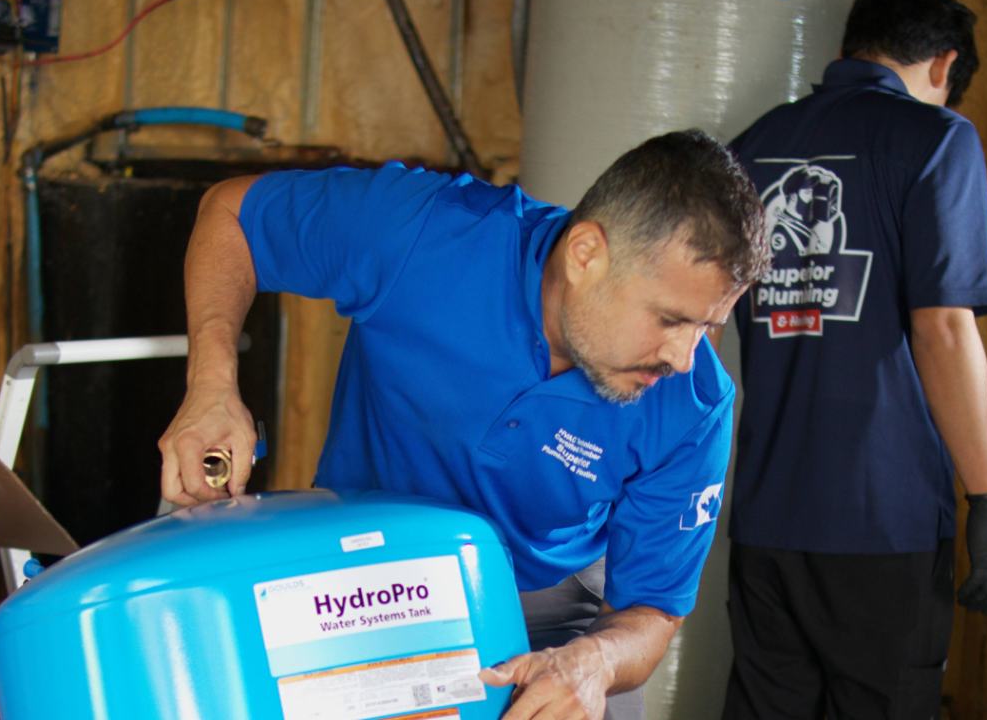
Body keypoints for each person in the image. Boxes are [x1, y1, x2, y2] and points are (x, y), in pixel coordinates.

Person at [159, 129, 770, 720]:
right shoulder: (423, 234)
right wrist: (212, 386)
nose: (684, 356)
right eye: (671, 318)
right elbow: (233, 216)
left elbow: (651, 612)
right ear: (586, 255)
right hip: (358, 585)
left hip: (546, 611)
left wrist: (595, 661)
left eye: (707, 326)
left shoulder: (695, 405)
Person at [721, 0, 987, 719]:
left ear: (848, 48)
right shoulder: (938, 138)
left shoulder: (753, 146)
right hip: (884, 520)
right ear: (944, 67)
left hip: (768, 512)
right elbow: (943, 328)